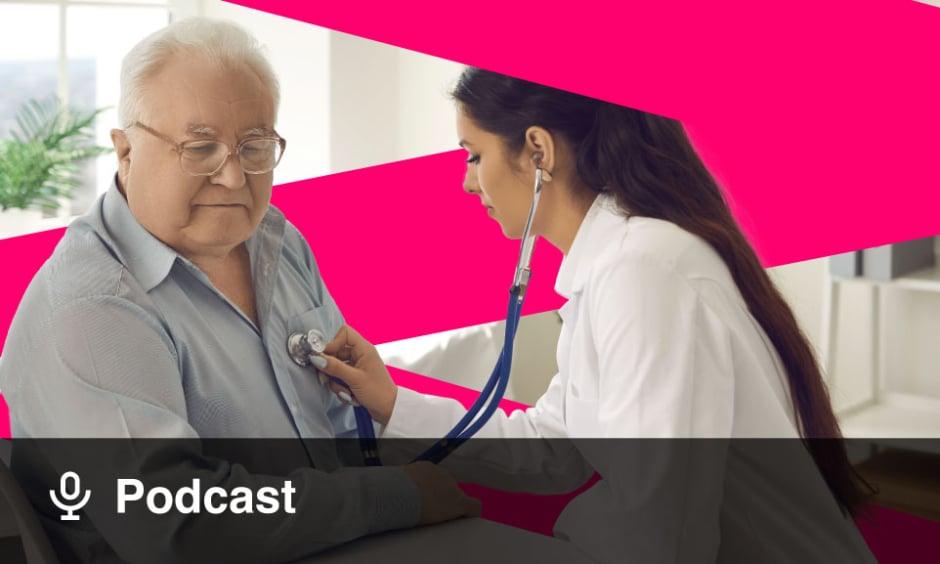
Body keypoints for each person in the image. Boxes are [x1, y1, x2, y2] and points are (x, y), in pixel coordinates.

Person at [314, 68, 877, 563]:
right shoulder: (614, 265)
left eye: (474, 154)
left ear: (537, 151)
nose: (467, 181)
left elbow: (664, 535)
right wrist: (389, 403)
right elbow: (556, 448)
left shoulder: (644, 270)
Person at [0, 18, 481, 563]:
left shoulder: (275, 239)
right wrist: (399, 496)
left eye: (254, 146)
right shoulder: (91, 309)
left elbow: (335, 422)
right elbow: (180, 528)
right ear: (125, 151)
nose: (233, 178)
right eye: (200, 148)